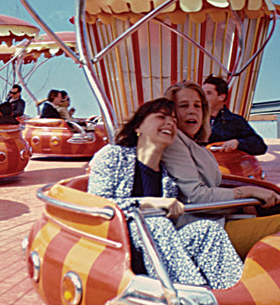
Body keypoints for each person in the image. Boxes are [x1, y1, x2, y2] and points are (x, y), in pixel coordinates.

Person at [88, 98, 243, 289]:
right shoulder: (113, 155)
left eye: (173, 121)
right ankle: (192, 296)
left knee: (207, 230)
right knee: (155, 223)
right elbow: (95, 206)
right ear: (139, 126)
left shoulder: (168, 179)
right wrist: (149, 203)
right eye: (161, 117)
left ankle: (233, 294)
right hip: (118, 245)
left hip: (158, 250)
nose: (170, 123)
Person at [162, 81, 280, 258]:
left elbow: (258, 145)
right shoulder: (175, 143)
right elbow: (195, 198)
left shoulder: (195, 141)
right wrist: (246, 193)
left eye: (198, 105)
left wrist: (243, 203)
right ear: (171, 112)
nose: (192, 110)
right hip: (200, 230)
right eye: (183, 105)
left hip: (214, 219)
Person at [203, 75, 267, 155]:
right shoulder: (196, 121)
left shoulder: (234, 121)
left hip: (224, 165)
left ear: (221, 97)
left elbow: (259, 146)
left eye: (208, 93)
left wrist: (238, 143)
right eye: (202, 93)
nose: (203, 97)